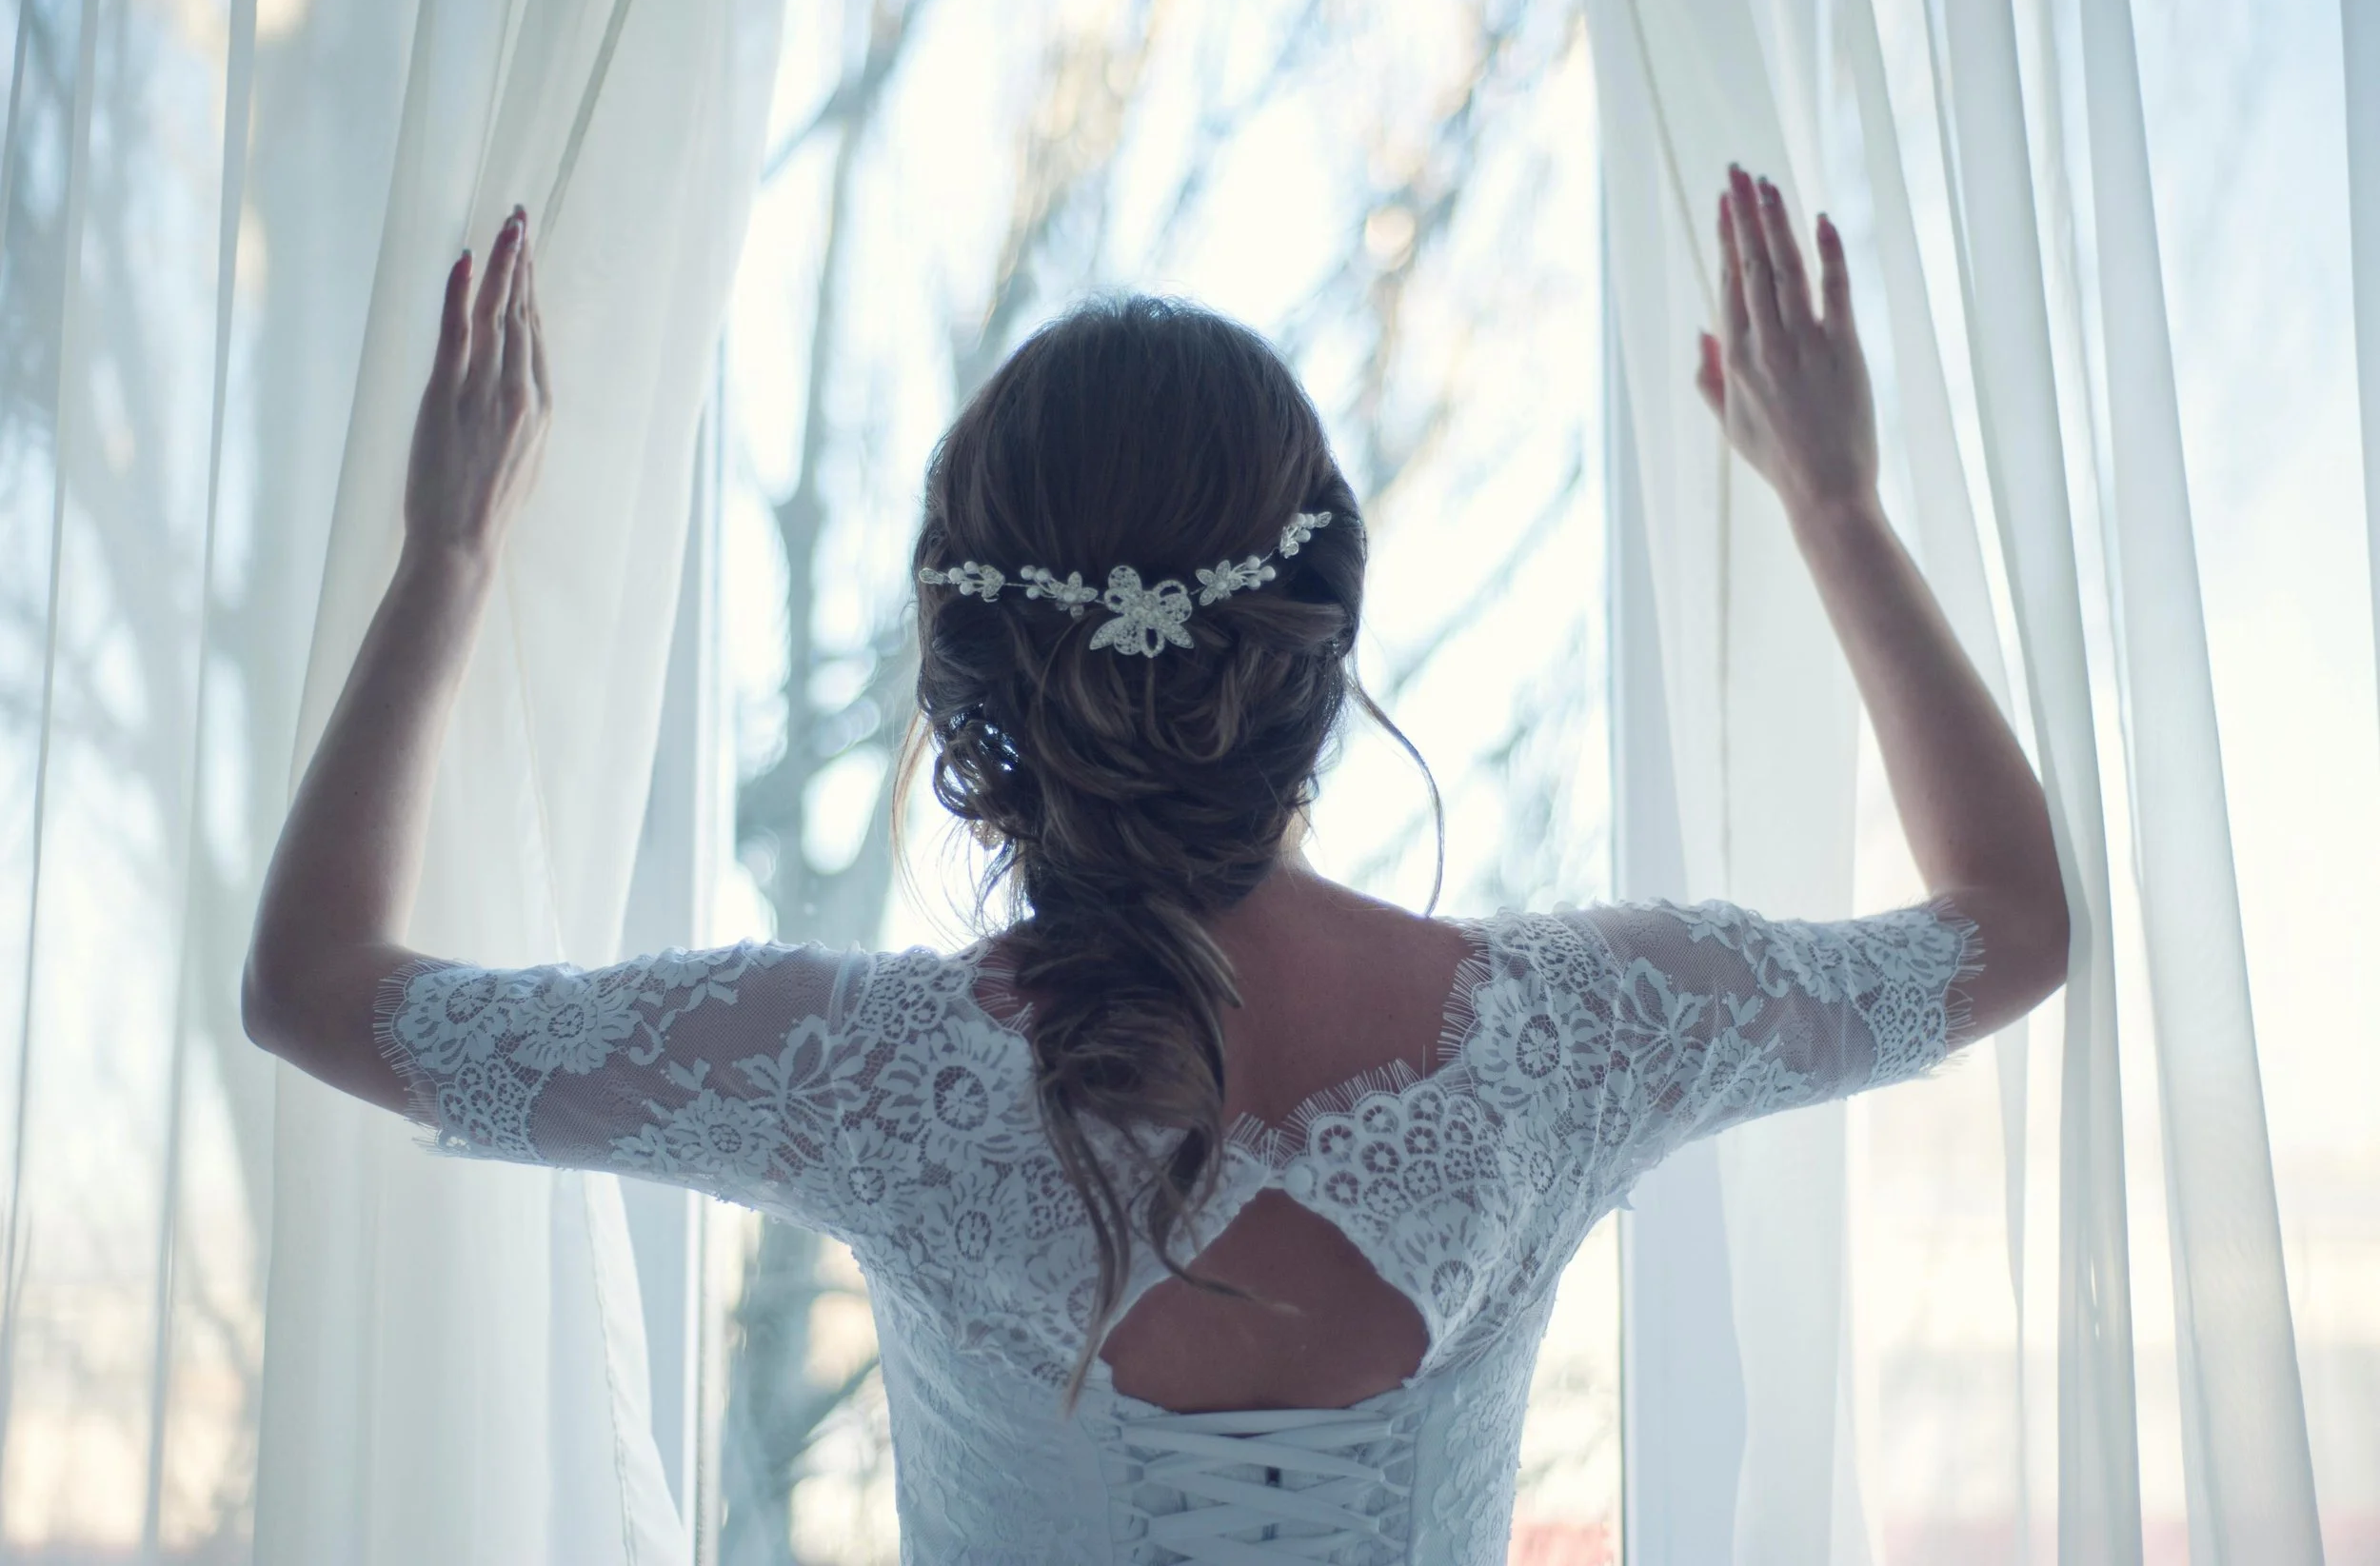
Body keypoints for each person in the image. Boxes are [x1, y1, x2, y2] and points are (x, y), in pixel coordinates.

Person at [244, 168, 2068, 1562]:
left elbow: (316, 987)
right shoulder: (1568, 1040)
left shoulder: (860, 1077)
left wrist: (449, 559)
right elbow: (2009, 924)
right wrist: (1837, 508)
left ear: (973, 671)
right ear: (1323, 628)